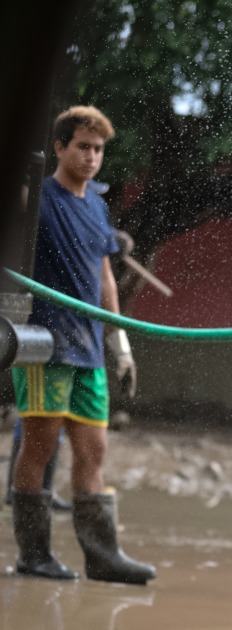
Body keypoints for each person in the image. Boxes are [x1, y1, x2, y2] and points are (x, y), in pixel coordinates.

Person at [11, 105, 151, 585]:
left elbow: (104, 275)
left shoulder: (97, 206)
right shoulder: (37, 198)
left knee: (94, 451)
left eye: (98, 150)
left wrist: (121, 342)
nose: (91, 157)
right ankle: (34, 554)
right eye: (83, 147)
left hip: (89, 346)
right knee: (41, 446)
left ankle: (103, 555)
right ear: (59, 148)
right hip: (45, 343)